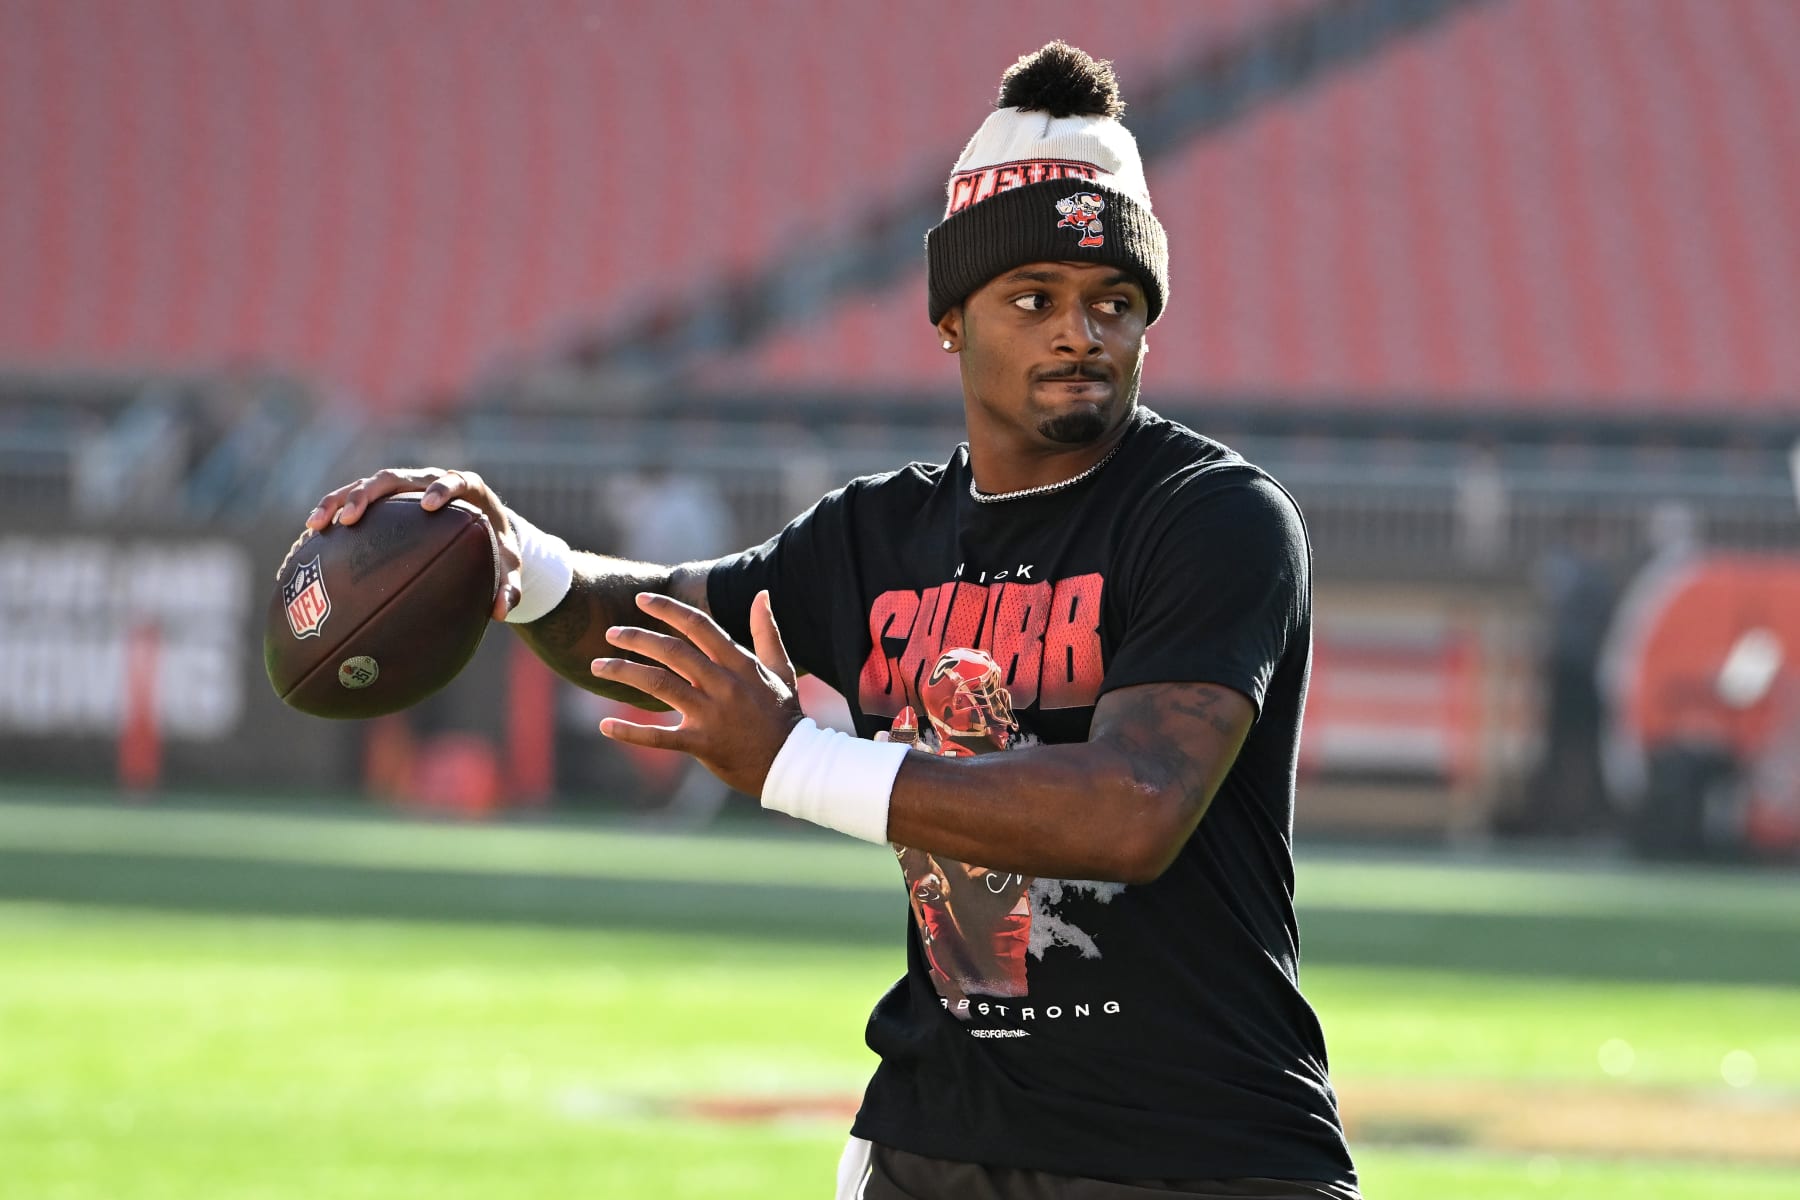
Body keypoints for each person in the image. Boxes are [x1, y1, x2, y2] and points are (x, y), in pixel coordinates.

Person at [306, 41, 1358, 1200]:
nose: (1081, 333)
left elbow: (1134, 809)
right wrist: (520, 565)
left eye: (1115, 303)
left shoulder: (1214, 516)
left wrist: (796, 763)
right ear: (951, 321)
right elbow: (663, 622)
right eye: (1035, 299)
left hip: (1199, 1151)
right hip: (937, 1136)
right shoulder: (877, 536)